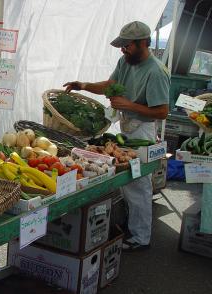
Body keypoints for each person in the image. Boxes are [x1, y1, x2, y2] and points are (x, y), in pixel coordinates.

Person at [63, 21, 170, 251]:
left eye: (127, 45)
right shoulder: (125, 62)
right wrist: (82, 85)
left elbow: (162, 111)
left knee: (139, 184)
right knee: (127, 182)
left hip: (143, 131)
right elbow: (109, 85)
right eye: (122, 46)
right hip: (126, 127)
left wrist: (129, 104)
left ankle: (141, 237)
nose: (123, 50)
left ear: (143, 43)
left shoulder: (156, 71)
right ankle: (131, 225)